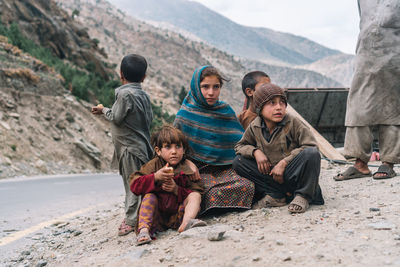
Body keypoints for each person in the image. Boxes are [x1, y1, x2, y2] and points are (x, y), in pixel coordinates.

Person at [174, 66, 255, 214]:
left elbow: (240, 143)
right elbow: (173, 149)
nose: (211, 92)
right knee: (206, 191)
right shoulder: (184, 116)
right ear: (196, 88)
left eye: (216, 87)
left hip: (225, 170)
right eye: (205, 87)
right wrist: (186, 162)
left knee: (247, 185)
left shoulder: (226, 111)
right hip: (197, 171)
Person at [233, 83, 324, 213]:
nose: (279, 107)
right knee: (239, 162)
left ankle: (303, 196)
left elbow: (311, 145)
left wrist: (284, 162)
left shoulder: (293, 122)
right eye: (272, 103)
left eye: (282, 103)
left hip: (292, 173)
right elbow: (240, 146)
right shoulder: (255, 126)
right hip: (272, 176)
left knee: (311, 153)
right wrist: (255, 152)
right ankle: (276, 196)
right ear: (260, 107)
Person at [335, 0, 400, 181]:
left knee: (392, 108)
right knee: (357, 107)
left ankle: (388, 162)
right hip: (366, 53)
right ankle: (359, 164)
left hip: (395, 55)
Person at [91, 54, 153, 236]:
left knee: (132, 184)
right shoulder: (144, 95)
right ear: (144, 77)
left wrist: (103, 110)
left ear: (121, 74)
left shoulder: (125, 94)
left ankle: (132, 220)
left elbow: (117, 117)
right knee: (139, 182)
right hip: (141, 145)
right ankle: (142, 215)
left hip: (129, 149)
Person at [130, 125, 205, 245]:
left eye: (178, 147)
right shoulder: (153, 165)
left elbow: (199, 190)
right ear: (158, 151)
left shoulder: (187, 168)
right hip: (156, 218)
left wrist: (177, 190)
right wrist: (155, 177)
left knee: (195, 196)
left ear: (184, 150)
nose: (174, 152)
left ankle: (187, 223)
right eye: (168, 147)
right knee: (149, 197)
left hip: (178, 216)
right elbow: (134, 185)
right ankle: (144, 231)